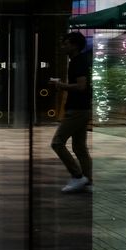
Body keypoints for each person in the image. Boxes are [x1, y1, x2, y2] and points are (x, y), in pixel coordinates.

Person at [50, 31, 93, 193]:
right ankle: (88, 181)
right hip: (82, 108)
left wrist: (61, 85)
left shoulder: (77, 62)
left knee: (57, 143)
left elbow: (81, 86)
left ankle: (77, 176)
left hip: (77, 109)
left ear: (74, 45)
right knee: (80, 147)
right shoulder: (77, 61)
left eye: (66, 43)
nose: (63, 46)